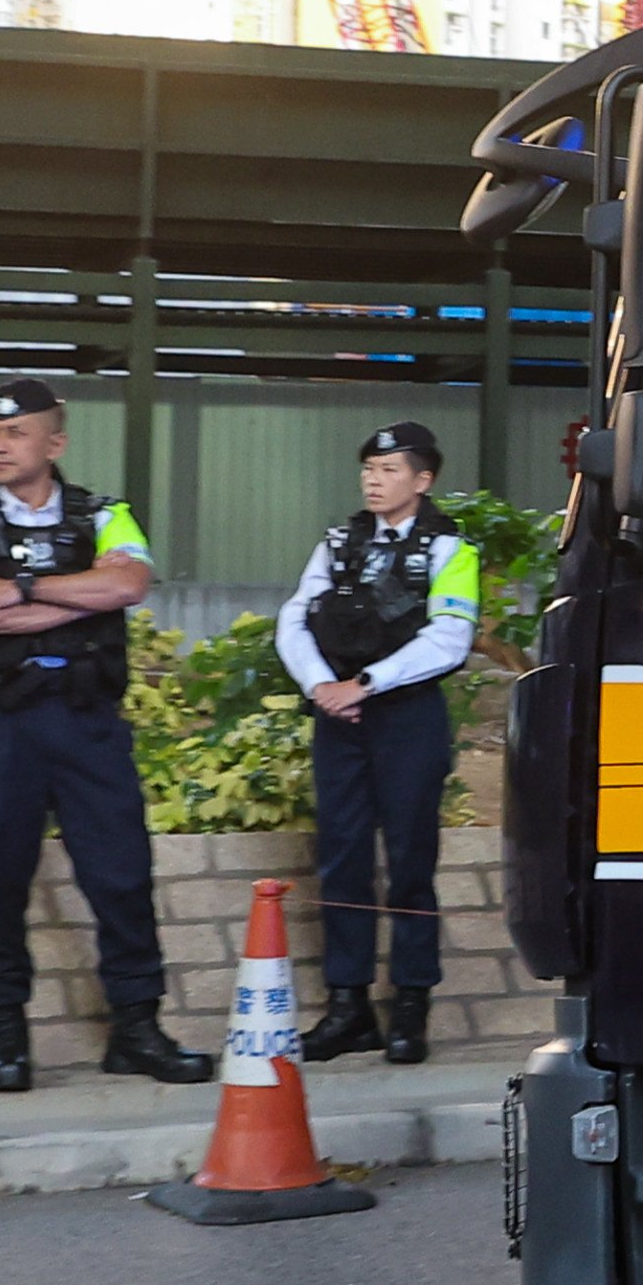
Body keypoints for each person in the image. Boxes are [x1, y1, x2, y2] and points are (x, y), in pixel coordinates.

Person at [0, 377, 212, 1095]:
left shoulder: (106, 513)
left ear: (53, 442)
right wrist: (75, 596)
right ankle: (5, 1034)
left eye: (16, 433)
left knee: (120, 874)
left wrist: (21, 590)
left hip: (85, 719)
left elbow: (128, 587)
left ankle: (137, 1029)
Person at [276, 422, 483, 1067]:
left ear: (423, 481)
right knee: (341, 860)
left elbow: (449, 639)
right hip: (340, 715)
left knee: (411, 863)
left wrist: (364, 684)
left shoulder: (452, 551)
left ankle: (411, 1006)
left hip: (405, 716)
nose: (373, 478)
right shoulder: (338, 542)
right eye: (368, 467)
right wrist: (321, 686)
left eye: (389, 469)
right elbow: (294, 617)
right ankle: (349, 1007)